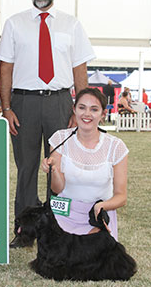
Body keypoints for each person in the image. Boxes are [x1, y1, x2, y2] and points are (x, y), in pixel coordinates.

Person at [0, 0, 96, 248]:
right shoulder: (14, 24)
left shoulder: (72, 24)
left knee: (60, 169)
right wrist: (6, 107)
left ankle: (59, 229)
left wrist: (80, 109)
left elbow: (80, 69)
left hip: (59, 102)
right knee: (26, 167)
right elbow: (5, 68)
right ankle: (25, 232)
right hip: (24, 103)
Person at [41, 88, 129, 240]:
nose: (87, 114)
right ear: (74, 110)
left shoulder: (116, 146)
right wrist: (53, 170)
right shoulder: (60, 139)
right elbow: (57, 188)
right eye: (82, 108)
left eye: (94, 109)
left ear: (103, 114)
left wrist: (101, 207)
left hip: (98, 216)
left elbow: (121, 196)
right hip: (64, 215)